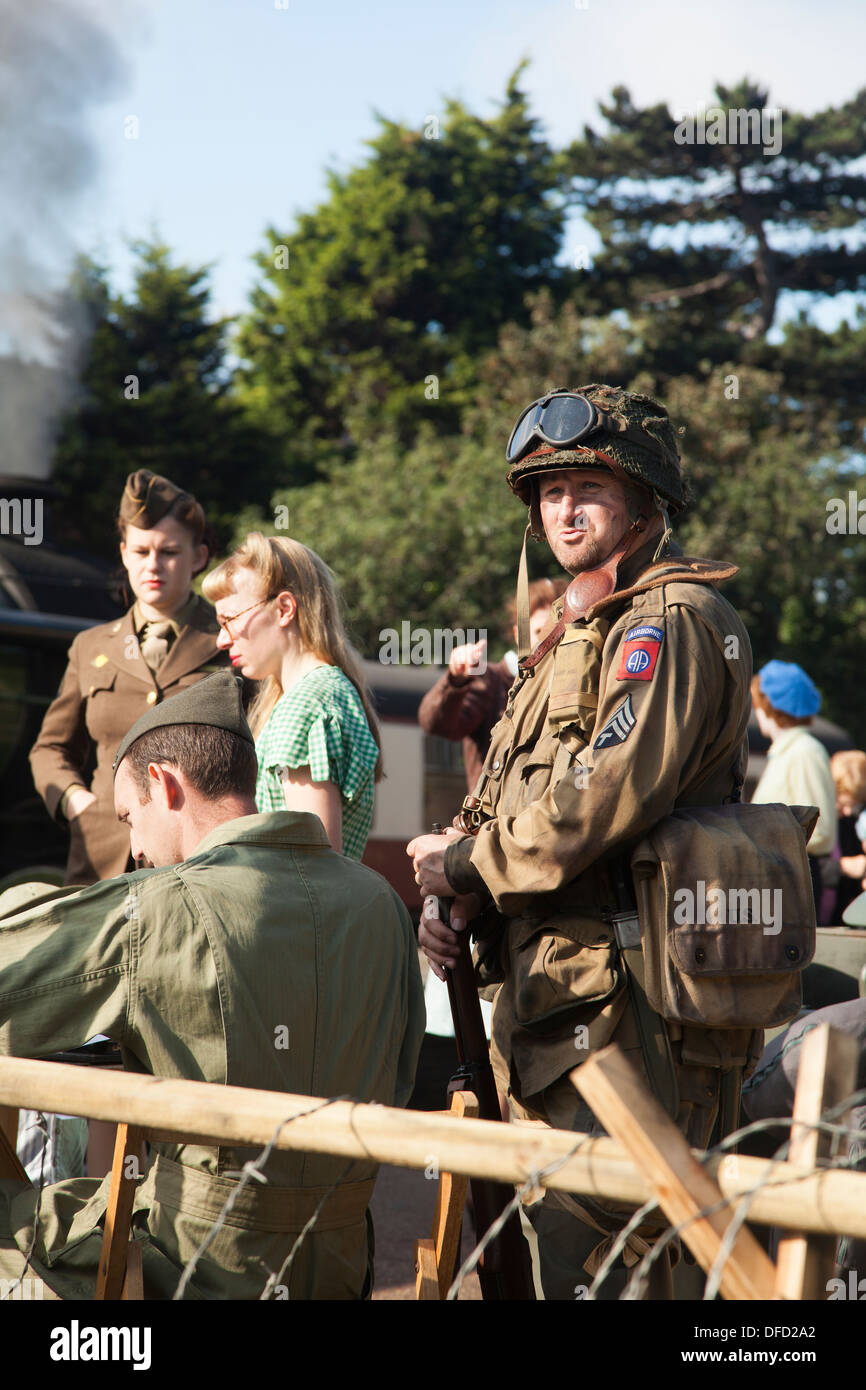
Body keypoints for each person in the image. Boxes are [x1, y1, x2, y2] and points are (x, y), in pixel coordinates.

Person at [409, 383, 758, 1300]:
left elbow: (605, 794)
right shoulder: (575, 632)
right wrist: (457, 898)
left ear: (646, 501)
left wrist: (463, 867)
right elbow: (505, 795)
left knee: (623, 1268)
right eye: (549, 492)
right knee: (559, 1249)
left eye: (588, 489)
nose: (563, 509)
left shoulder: (668, 624)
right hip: (555, 1002)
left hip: (634, 1015)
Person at [0, 672, 425, 1300]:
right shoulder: (384, 905)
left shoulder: (161, 906)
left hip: (188, 1269)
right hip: (339, 1264)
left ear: (165, 784)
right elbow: (400, 1080)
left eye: (129, 817)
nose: (135, 849)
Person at [29, 469, 227, 886]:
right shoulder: (91, 646)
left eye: (169, 551)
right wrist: (75, 802)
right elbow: (49, 749)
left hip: (194, 866)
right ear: (123, 553)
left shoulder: (228, 642)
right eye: (140, 552)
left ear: (199, 557)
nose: (153, 565)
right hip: (99, 865)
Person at [202, 533, 380, 860]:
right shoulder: (322, 693)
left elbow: (316, 867)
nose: (221, 640)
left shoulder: (308, 705)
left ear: (284, 608)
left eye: (229, 620)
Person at [417, 578, 567, 792]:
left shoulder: (575, 682)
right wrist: (456, 681)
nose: (548, 640)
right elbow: (435, 724)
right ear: (518, 634)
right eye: (538, 632)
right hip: (492, 822)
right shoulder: (491, 680)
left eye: (557, 631)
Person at [750, 662, 837, 913]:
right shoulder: (788, 752)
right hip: (782, 879)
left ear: (768, 705)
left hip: (793, 884)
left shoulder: (804, 752)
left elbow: (820, 832)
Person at [829, 750, 866, 923]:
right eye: (844, 804)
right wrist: (842, 867)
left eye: (854, 805)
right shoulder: (821, 824)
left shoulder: (850, 821)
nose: (849, 811)